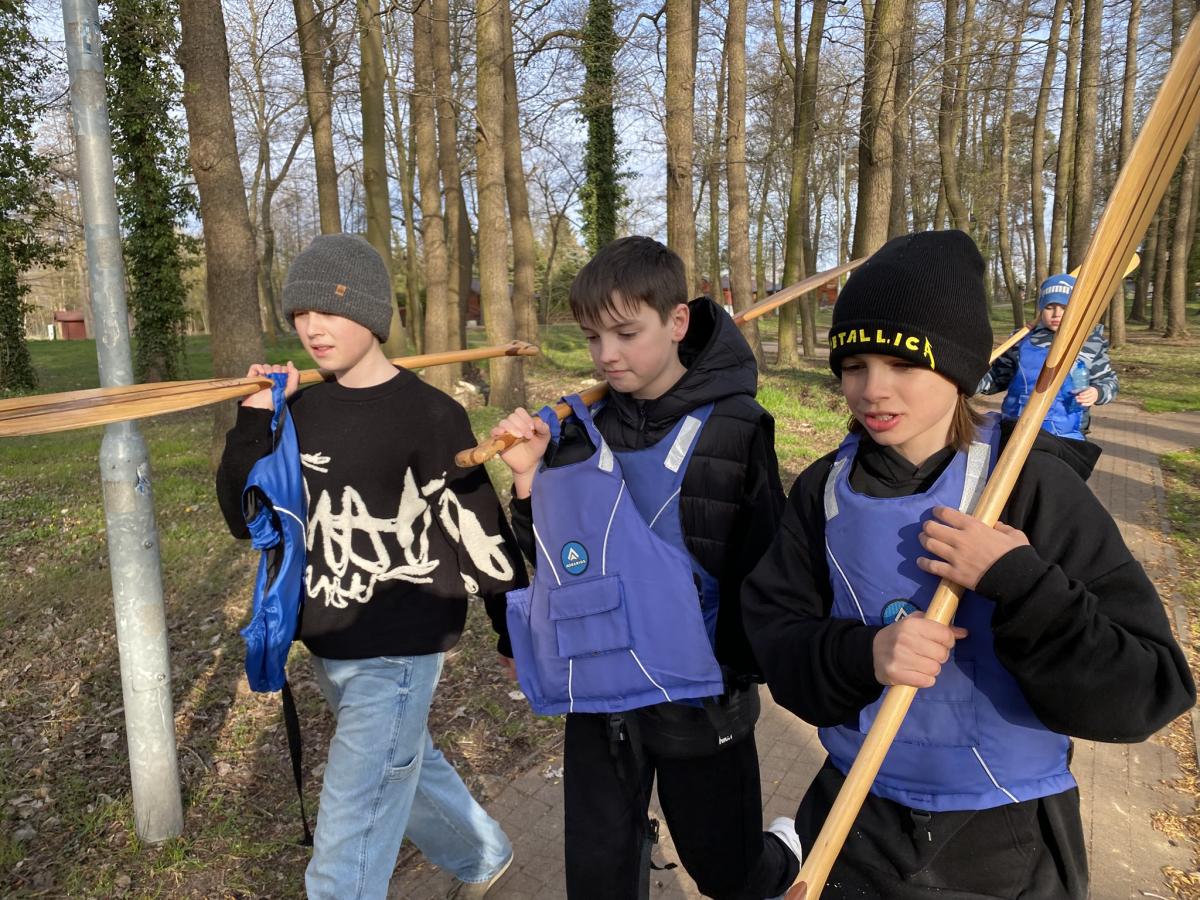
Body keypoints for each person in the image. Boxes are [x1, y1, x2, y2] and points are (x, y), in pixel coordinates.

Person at [741, 230, 1194, 899]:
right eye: (855, 365)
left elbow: (1145, 692)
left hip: (1005, 836)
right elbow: (777, 642)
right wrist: (863, 654)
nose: (873, 389)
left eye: (903, 364)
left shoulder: (1032, 487)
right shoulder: (823, 491)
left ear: (958, 370)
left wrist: (1022, 582)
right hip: (855, 820)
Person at [490, 236, 802, 898]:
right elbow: (556, 561)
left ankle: (782, 857)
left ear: (677, 321)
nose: (606, 354)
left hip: (700, 697)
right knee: (598, 877)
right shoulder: (576, 430)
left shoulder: (737, 426)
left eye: (626, 333)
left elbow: (764, 565)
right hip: (600, 690)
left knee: (728, 872)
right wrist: (528, 480)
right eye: (592, 336)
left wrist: (750, 670)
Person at [215, 234, 523, 900]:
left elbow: (480, 532)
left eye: (329, 310)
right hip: (328, 644)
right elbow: (245, 518)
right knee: (403, 767)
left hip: (400, 652)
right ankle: (483, 853)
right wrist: (253, 422)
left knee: (349, 833)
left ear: (372, 313)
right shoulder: (298, 412)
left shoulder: (431, 415)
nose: (312, 328)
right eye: (300, 313)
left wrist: (514, 633)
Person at [978, 273, 1118, 439]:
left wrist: (1097, 392)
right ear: (1041, 308)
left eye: (1064, 307)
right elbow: (997, 379)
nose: (1056, 314)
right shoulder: (1020, 340)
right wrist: (972, 381)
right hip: (1016, 429)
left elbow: (1109, 382)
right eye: (1050, 307)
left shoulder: (1090, 342)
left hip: (1066, 435)